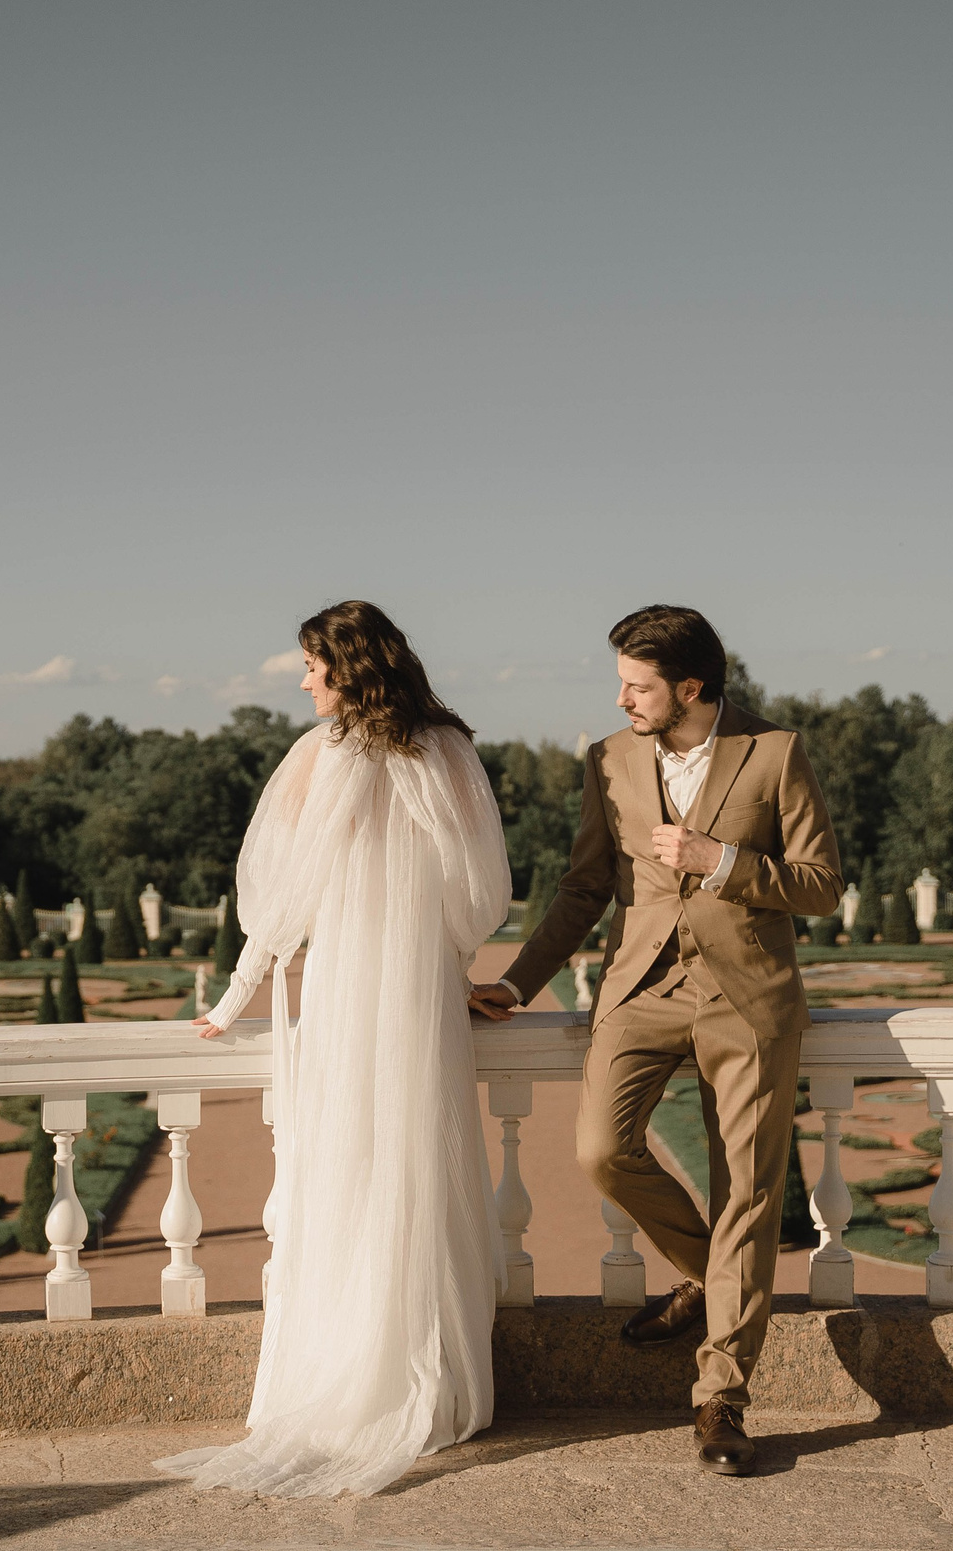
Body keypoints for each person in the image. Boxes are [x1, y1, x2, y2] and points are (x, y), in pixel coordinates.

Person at [471, 604, 840, 1475]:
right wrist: (518, 981)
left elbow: (823, 885)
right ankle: (706, 1272)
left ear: (691, 687)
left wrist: (720, 861)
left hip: (747, 997)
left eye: (638, 685)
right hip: (642, 987)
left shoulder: (776, 752)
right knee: (602, 1149)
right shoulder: (610, 759)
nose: (622, 698)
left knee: (748, 1189)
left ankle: (721, 1399)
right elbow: (583, 886)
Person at [161, 600, 512, 1498]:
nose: (303, 678)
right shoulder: (450, 751)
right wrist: (447, 959)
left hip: (350, 988)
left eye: (314, 664)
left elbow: (281, 902)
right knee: (417, 1173)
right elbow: (481, 895)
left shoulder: (320, 758)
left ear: (350, 666)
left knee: (350, 1171)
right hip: (423, 992)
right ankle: (426, 1381)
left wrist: (236, 994)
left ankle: (347, 1371)